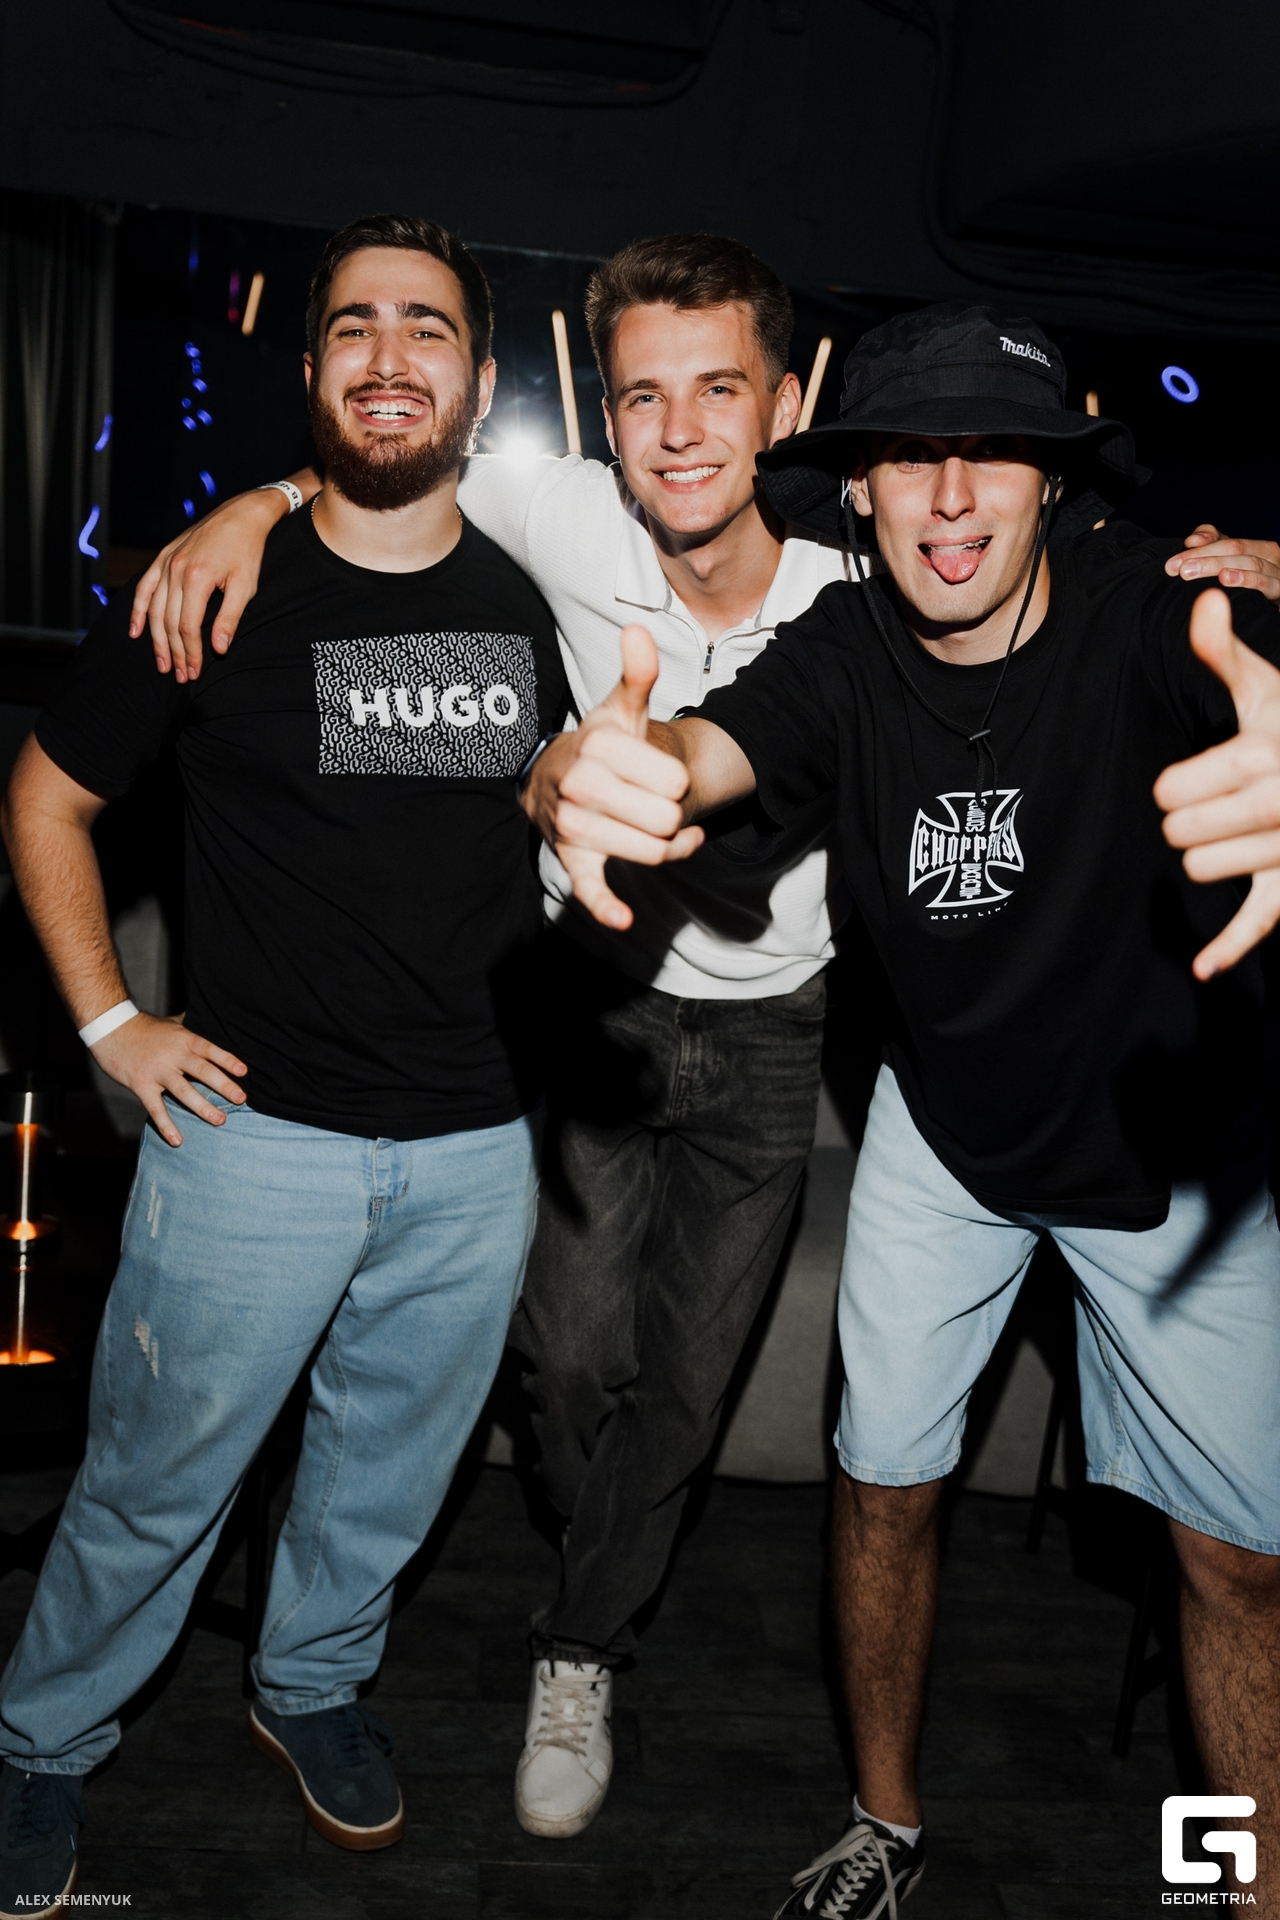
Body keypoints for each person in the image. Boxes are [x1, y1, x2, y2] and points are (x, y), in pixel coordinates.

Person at [129, 243, 1280, 1849]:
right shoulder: (662, 560)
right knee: (595, 1374)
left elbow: (1209, 636)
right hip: (710, 1043)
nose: (680, 432)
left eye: (721, 391)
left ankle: (584, 1645)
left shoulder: (999, 584)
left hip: (921, 1079)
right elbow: (414, 482)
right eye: (643, 398)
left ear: (786, 411)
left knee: (714, 1398)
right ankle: (796, 1748)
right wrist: (567, 765)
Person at [533, 303, 1280, 1914]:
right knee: (882, 1493)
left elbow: (1251, 666)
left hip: (1171, 1152)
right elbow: (709, 750)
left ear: (1053, 483)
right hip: (943, 1138)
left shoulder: (1150, 610)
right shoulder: (843, 649)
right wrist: (605, 772)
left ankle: (1243, 1886)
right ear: (856, 491)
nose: (951, 498)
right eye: (909, 457)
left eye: (994, 453)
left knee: (1237, 1567)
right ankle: (888, 1826)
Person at [0, 212, 566, 1916]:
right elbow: (44, 801)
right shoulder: (213, 588)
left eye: (427, 328)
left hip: (474, 1149)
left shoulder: (523, 607)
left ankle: (310, 1686)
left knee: (387, 1477)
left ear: (477, 381)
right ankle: (41, 1741)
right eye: (355, 327)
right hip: (253, 1143)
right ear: (313, 367)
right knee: (152, 1484)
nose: (390, 356)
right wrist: (113, 1025)